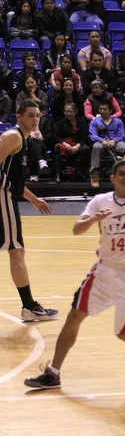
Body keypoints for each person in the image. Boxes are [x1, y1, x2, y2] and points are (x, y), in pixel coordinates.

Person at [24, 160, 125, 389]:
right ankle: (53, 373)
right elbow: (77, 229)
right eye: (122, 174)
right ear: (112, 178)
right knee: (74, 316)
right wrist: (93, 219)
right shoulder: (100, 201)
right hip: (103, 271)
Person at [0, 101, 56, 321]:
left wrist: (34, 200)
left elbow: (15, 182)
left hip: (7, 194)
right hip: (2, 197)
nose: (35, 120)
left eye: (38, 116)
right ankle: (29, 306)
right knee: (16, 249)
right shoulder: (13, 137)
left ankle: (29, 305)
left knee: (17, 251)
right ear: (19, 117)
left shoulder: (22, 140)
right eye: (30, 115)